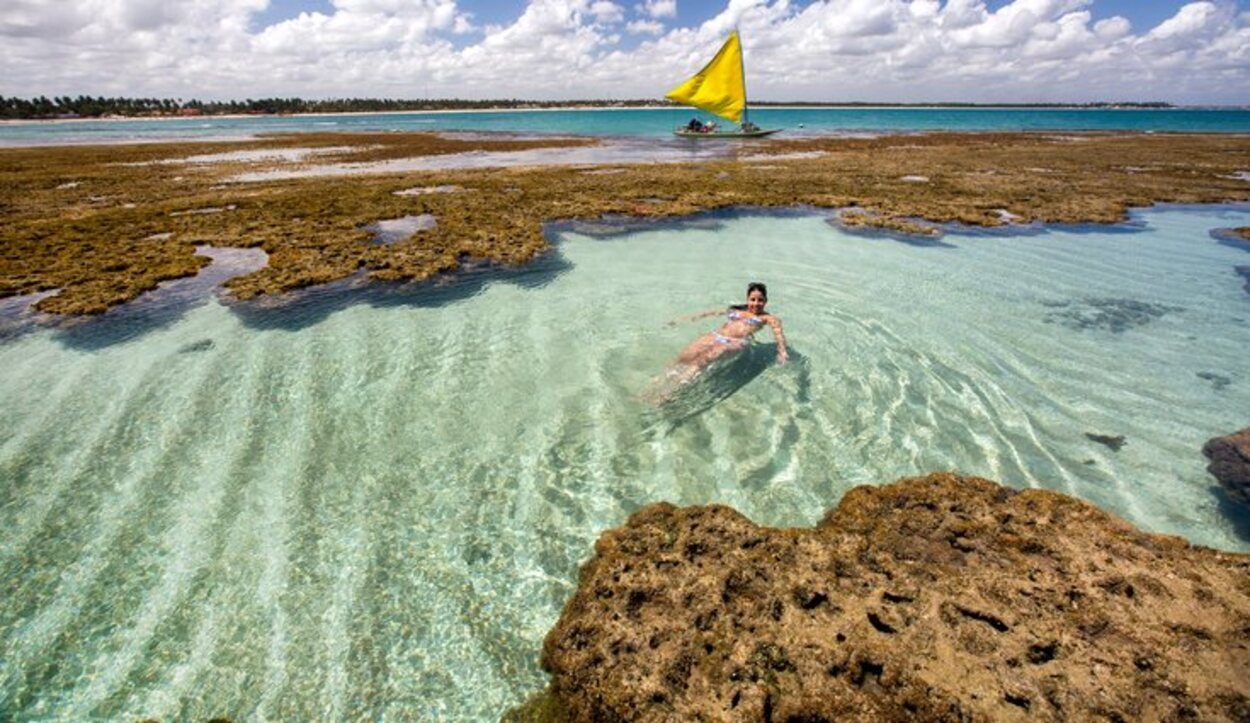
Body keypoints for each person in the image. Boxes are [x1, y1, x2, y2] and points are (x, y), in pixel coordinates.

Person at [667, 282, 788, 383]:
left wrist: (782, 352)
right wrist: (683, 319)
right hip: (716, 335)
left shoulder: (768, 318)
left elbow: (778, 334)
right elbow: (709, 313)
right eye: (753, 299)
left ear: (766, 301)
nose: (756, 303)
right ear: (747, 299)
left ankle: (676, 387)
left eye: (760, 300)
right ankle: (661, 379)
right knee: (686, 355)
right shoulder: (737, 310)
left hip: (735, 342)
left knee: (703, 360)